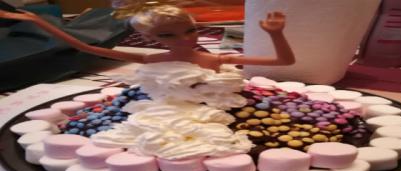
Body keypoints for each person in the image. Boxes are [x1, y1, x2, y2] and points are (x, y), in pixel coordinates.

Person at [0, 4, 295, 73]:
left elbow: (284, 61)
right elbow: (83, 46)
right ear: (149, 38)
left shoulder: (216, 59)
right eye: (168, 35)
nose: (184, 39)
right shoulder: (151, 60)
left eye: (190, 30)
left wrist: (276, 34)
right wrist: (38, 21)